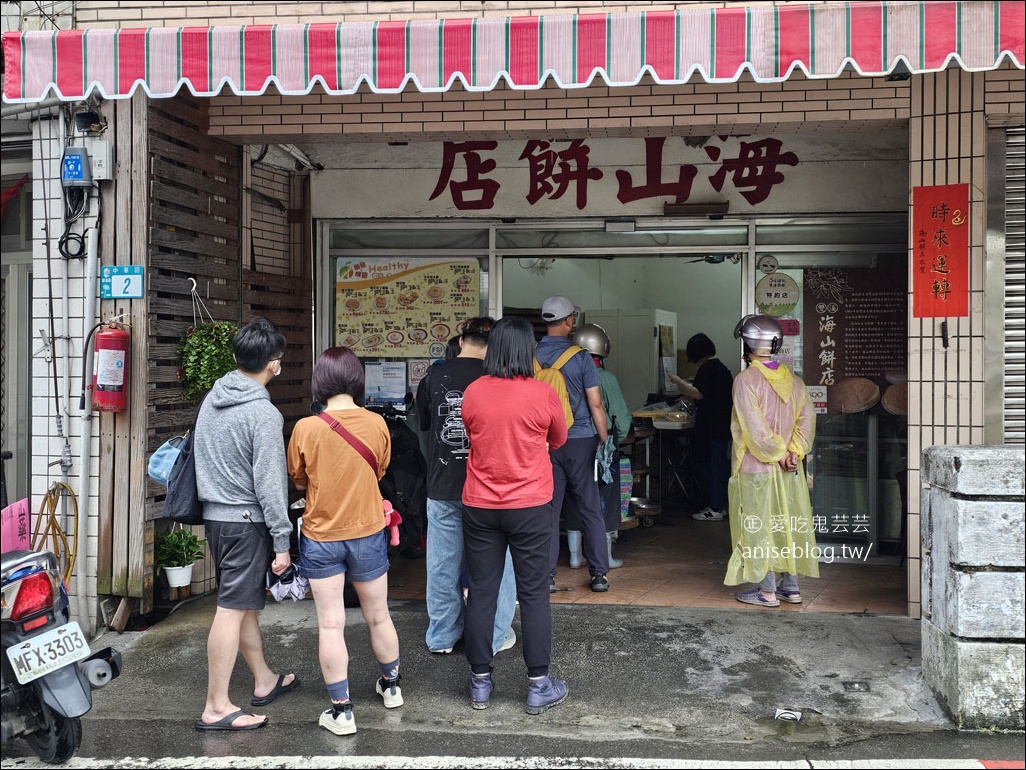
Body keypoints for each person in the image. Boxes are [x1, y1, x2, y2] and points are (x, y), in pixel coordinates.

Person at [287, 346, 402, 736]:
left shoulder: (306, 427)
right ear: (357, 379)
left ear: (320, 381)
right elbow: (380, 469)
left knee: (331, 625)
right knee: (379, 614)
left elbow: (298, 477)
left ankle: (342, 712)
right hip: (368, 531)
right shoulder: (377, 423)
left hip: (321, 535)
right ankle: (391, 688)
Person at [192, 317, 298, 732]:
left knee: (243, 604)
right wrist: (283, 539)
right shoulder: (262, 414)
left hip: (218, 520)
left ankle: (264, 678)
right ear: (273, 365)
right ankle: (216, 705)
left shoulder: (213, 398)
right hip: (245, 522)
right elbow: (270, 485)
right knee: (231, 609)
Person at [460, 316, 569, 715]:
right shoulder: (542, 394)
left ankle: (480, 684)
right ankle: (539, 685)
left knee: (482, 591)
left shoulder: (473, 392)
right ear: (528, 351)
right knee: (535, 594)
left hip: (480, 505)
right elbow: (557, 438)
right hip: (531, 506)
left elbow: (473, 434)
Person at [414, 317, 518, 657]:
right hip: (489, 489)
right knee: (497, 567)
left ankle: (442, 636)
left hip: (443, 486)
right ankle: (495, 635)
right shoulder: (499, 379)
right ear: (495, 344)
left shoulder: (434, 376)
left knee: (442, 565)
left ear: (461, 340)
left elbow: (426, 424)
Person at [724, 315, 818, 607]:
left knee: (759, 525)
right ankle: (791, 588)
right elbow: (807, 421)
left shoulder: (745, 380)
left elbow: (755, 429)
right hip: (790, 469)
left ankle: (766, 591)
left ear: (748, 343)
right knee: (788, 523)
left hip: (758, 468)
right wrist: (794, 453)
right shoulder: (795, 381)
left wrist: (777, 454)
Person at [536, 297, 610, 593]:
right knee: (590, 507)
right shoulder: (580, 357)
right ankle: (600, 575)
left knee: (549, 509)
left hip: (543, 442)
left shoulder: (531, 355)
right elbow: (596, 403)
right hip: (579, 440)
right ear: (569, 321)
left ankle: (547, 576)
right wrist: (602, 435)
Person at [570, 323, 633, 570]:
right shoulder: (606, 378)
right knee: (605, 496)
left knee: (575, 497)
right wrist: (618, 439)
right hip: (602, 441)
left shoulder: (567, 375)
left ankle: (575, 556)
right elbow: (621, 414)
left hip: (572, 442)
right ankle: (605, 557)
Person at [668, 333, 734, 522]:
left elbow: (699, 394)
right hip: (722, 426)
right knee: (720, 467)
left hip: (712, 427)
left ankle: (714, 508)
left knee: (713, 467)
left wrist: (679, 382)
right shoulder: (721, 368)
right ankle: (719, 506)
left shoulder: (708, 368)